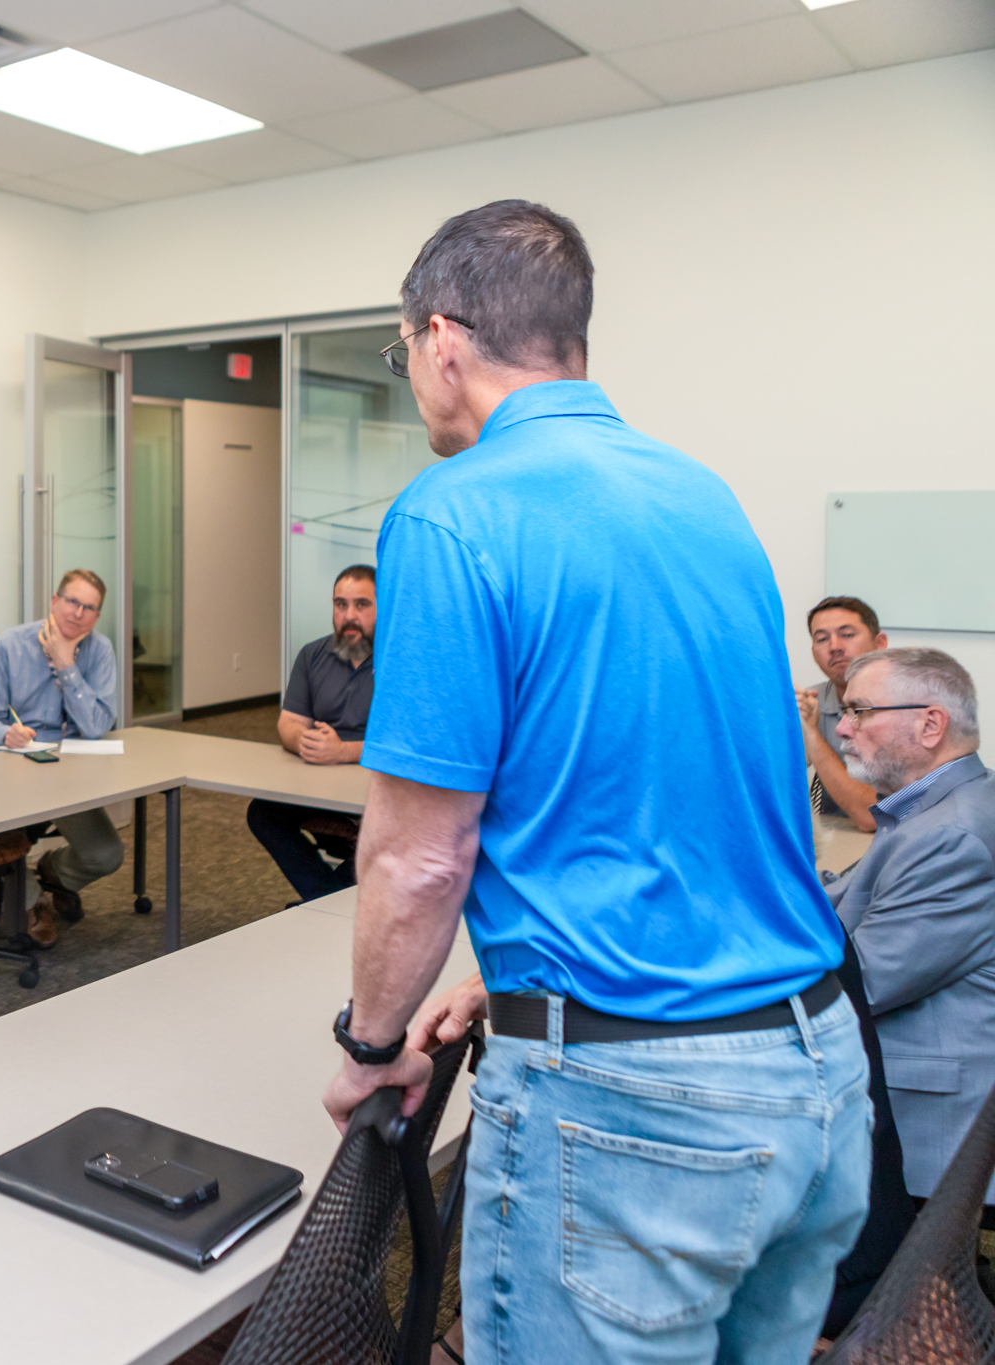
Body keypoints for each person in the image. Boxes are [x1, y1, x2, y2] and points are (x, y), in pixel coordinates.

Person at [320, 200, 868, 1364]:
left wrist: (374, 1048)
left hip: (636, 1112)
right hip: (814, 1076)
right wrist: (503, 967)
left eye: (401, 351)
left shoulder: (452, 512)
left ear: (440, 340)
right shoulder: (700, 497)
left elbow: (420, 855)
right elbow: (682, 786)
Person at [824, 648, 995, 1205]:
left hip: (926, 1127)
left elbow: (862, 983)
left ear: (929, 724)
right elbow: (852, 896)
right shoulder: (939, 805)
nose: (844, 729)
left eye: (861, 712)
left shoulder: (952, 834)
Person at [0, 568, 121, 948]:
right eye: (72, 601)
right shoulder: (8, 645)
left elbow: (97, 725)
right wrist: (6, 732)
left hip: (69, 773)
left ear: (96, 617)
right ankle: (32, 902)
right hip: (13, 767)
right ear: (54, 602)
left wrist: (66, 665)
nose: (78, 613)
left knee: (106, 854)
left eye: (89, 608)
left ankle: (51, 872)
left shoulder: (99, 650)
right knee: (5, 838)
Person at [246, 565, 376, 902]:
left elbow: (409, 744)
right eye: (340, 605)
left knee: (402, 828)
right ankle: (327, 899)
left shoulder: (405, 662)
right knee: (263, 813)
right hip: (320, 783)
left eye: (362, 605)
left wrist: (343, 751)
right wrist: (302, 740)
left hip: (378, 789)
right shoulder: (312, 655)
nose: (349, 616)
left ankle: (322, 903)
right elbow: (289, 721)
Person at [799, 596, 889, 831]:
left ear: (879, 643)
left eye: (847, 634)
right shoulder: (808, 702)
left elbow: (873, 817)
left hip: (903, 841)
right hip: (837, 839)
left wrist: (812, 737)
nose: (835, 646)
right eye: (822, 638)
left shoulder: (907, 705)